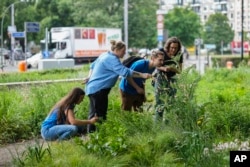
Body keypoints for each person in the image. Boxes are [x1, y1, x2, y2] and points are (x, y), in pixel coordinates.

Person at [84, 40, 152, 133]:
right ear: (117, 49)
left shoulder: (105, 55)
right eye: (123, 50)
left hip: (94, 88)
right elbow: (125, 72)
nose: (125, 53)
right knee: (99, 115)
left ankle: (94, 135)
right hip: (99, 90)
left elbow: (92, 66)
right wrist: (142, 75)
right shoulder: (112, 59)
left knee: (95, 113)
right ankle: (95, 136)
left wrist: (89, 76)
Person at [154, 37, 183, 121]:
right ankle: (158, 125)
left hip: (172, 80)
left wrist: (173, 69)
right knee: (159, 102)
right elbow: (155, 64)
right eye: (172, 47)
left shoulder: (179, 55)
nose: (173, 50)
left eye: (175, 48)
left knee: (171, 102)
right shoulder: (161, 51)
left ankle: (168, 123)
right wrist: (164, 68)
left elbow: (180, 70)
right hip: (160, 78)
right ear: (168, 46)